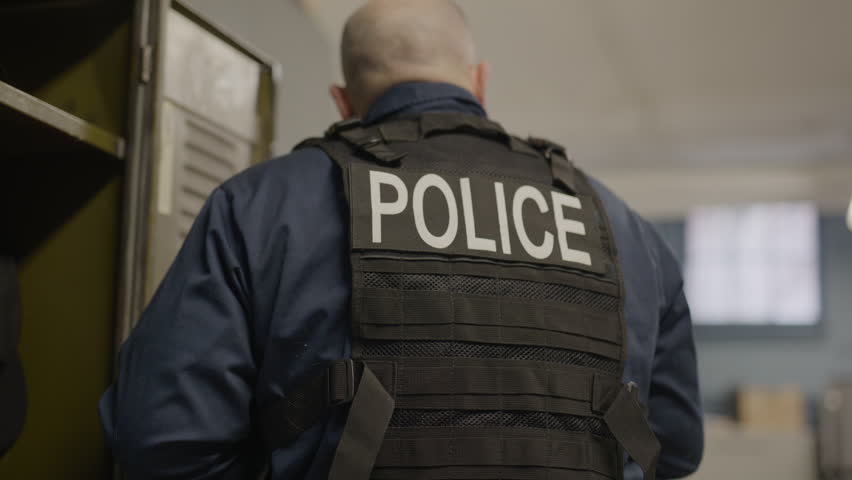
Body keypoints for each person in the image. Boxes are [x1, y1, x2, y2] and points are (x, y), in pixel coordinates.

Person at [99, 1, 703, 479]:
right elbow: (672, 448)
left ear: (342, 98)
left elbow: (163, 440)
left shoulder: (260, 205)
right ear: (479, 81)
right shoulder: (625, 230)